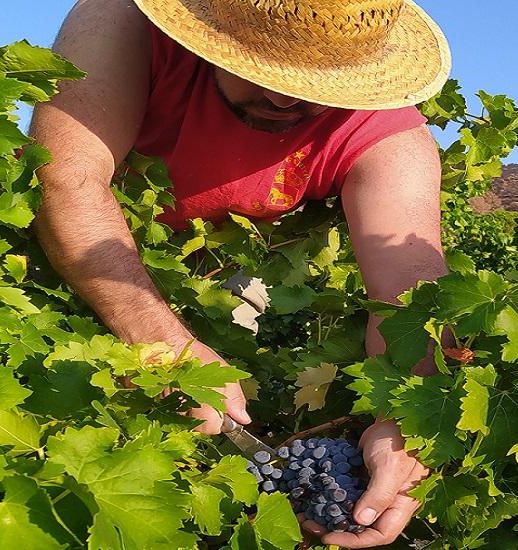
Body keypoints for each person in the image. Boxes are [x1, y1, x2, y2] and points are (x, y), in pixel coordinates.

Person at [30, 0, 451, 546]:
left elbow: (410, 295)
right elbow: (64, 180)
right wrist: (162, 343)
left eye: (317, 85)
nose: (283, 97)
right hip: (71, 236)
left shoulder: (391, 138)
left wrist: (405, 420)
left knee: (207, 422)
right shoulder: (122, 20)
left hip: (219, 267)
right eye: (265, 68)